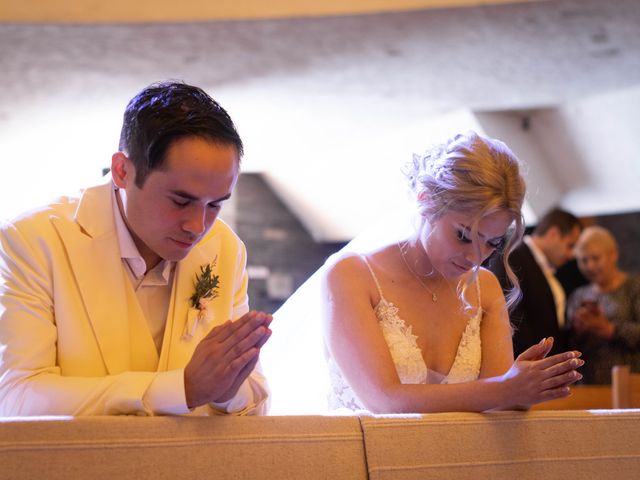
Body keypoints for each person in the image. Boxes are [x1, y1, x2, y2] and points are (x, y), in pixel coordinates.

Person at [0, 81, 272, 416]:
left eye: (215, 204)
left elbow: (255, 397)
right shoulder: (32, 240)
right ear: (122, 171)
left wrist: (225, 392)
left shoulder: (226, 249)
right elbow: (15, 397)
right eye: (181, 200)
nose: (198, 226)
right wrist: (181, 389)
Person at [321, 131, 583, 414]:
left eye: (492, 242)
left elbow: (494, 406)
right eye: (463, 235)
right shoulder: (351, 275)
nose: (476, 256)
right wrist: (505, 389)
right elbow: (384, 400)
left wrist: (524, 392)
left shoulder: (485, 287)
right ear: (426, 201)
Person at [489, 208, 582, 357]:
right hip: (525, 367)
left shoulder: (542, 265)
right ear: (553, 233)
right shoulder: (514, 258)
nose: (572, 255)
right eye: (570, 245)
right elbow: (509, 319)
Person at [567, 226, 640, 384]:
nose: (590, 266)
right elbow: (569, 346)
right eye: (583, 260)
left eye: (595, 258)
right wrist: (578, 331)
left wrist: (610, 329)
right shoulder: (578, 296)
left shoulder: (635, 287)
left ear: (613, 255)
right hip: (588, 386)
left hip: (631, 385)